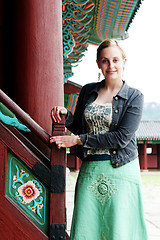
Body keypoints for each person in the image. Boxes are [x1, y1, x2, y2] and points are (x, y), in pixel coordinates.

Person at [50, 39, 148, 240]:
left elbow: (121, 138)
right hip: (90, 171)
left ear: (124, 62)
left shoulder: (134, 97)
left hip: (121, 171)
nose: (110, 66)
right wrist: (66, 115)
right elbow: (79, 125)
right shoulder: (88, 90)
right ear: (98, 64)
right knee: (88, 228)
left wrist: (77, 140)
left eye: (115, 60)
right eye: (105, 61)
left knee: (119, 230)